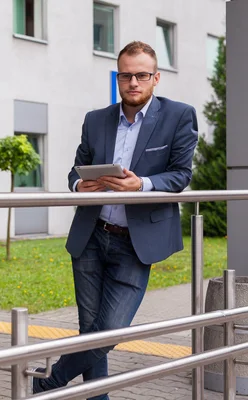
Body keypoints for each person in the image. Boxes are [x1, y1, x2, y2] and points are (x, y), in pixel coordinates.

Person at [32, 41, 199, 399]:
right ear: (118, 78)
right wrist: (81, 184)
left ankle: (48, 382)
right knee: (90, 328)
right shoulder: (96, 120)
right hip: (91, 234)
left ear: (155, 78)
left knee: (109, 330)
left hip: (134, 242)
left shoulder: (178, 115)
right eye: (126, 75)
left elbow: (180, 175)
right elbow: (74, 172)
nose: (133, 83)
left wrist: (143, 183)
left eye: (141, 75)